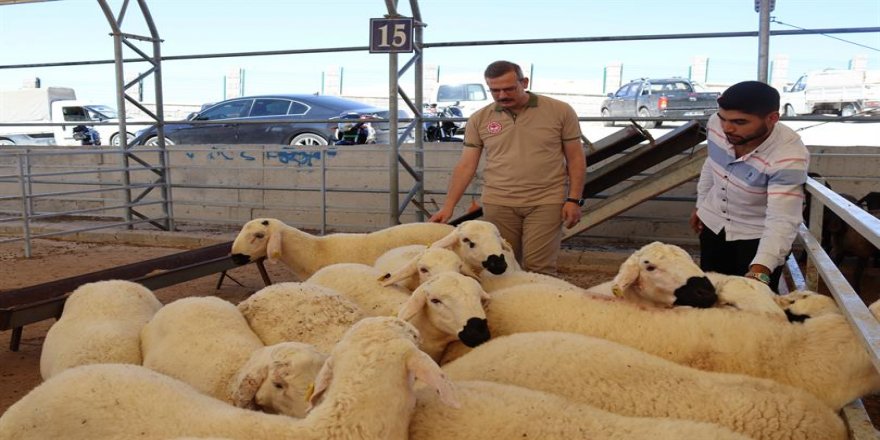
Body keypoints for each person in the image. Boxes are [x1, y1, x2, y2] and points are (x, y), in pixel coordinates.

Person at [429, 60, 586, 275]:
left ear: (524, 82)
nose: (502, 95)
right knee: (501, 265)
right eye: (495, 90)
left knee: (539, 268)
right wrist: (448, 206)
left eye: (509, 88)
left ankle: (538, 307)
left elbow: (576, 157)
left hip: (546, 201)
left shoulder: (559, 111)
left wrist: (574, 199)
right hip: (498, 202)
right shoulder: (480, 119)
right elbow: (466, 165)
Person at [689, 80, 809, 292]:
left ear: (772, 118)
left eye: (740, 122)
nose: (727, 127)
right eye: (722, 118)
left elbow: (782, 218)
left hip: (757, 238)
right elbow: (712, 163)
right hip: (713, 225)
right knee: (710, 295)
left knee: (754, 307)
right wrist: (702, 204)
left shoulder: (788, 157)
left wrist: (760, 270)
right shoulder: (716, 125)